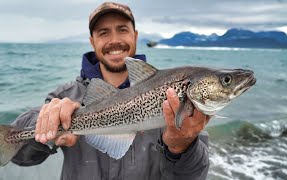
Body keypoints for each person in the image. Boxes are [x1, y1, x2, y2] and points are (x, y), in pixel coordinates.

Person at [11, 2, 210, 180]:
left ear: (135, 35)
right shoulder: (66, 96)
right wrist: (42, 129)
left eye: (122, 29)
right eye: (103, 32)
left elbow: (195, 175)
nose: (114, 40)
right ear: (92, 41)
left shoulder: (171, 98)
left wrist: (181, 147)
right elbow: (18, 157)